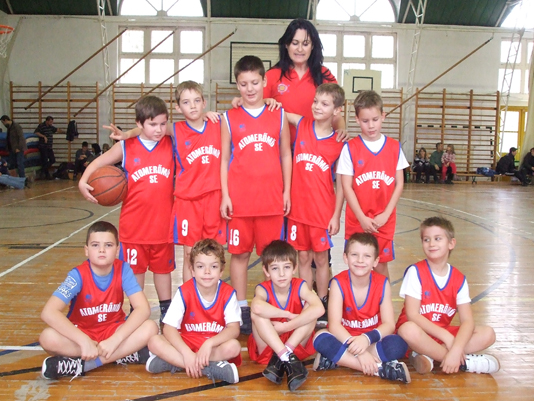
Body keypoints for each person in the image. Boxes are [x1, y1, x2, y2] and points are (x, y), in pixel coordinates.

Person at [79, 95, 175, 325]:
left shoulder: (171, 142)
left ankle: (167, 311)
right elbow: (99, 162)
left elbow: (186, 127)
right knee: (135, 272)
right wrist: (83, 180)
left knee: (163, 271)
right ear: (139, 123)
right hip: (134, 225)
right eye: (152, 124)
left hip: (164, 224)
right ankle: (136, 311)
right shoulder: (126, 146)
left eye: (163, 124)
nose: (159, 129)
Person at [220, 55, 292, 335]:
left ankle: (272, 305)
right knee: (239, 256)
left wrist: (287, 191)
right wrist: (225, 195)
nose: (249, 89)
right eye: (243, 84)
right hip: (240, 202)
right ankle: (241, 309)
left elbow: (285, 154)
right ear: (237, 86)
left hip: (271, 200)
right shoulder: (229, 117)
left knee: (273, 259)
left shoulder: (279, 114)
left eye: (254, 82)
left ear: (264, 82)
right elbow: (223, 159)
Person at [39, 221, 158, 380]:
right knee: (47, 338)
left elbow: (143, 308)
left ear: (117, 250)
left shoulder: (123, 270)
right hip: (83, 331)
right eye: (95, 245)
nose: (102, 250)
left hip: (112, 330)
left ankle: (84, 365)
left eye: (108, 245)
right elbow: (48, 312)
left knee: (150, 327)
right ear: (86, 250)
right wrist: (83, 341)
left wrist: (115, 340)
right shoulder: (77, 275)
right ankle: (121, 355)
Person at [396, 216, 500, 375]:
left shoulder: (459, 279)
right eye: (426, 239)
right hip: (416, 335)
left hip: (440, 335)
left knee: (488, 334)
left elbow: (467, 321)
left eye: (437, 238)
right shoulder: (415, 272)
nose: (431, 244)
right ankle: (464, 363)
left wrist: (457, 347)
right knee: (407, 329)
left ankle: (432, 355)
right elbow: (412, 315)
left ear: (451, 243)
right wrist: (448, 339)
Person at [312, 233, 410, 384]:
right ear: (345, 257)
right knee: (320, 338)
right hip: (345, 339)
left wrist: (366, 339)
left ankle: (338, 359)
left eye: (367, 256)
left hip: (371, 341)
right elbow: (334, 325)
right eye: (354, 255)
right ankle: (380, 369)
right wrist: (360, 353)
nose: (360, 260)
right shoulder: (338, 283)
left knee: (398, 344)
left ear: (376, 261)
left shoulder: (382, 283)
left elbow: (389, 324)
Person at [285, 83, 345, 326]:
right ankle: (306, 300)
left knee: (321, 259)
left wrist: (336, 215)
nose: (318, 107)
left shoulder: (339, 143)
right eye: (316, 101)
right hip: (298, 210)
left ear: (337, 110)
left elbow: (342, 184)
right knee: (302, 257)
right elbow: (277, 112)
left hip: (322, 211)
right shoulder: (301, 124)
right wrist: (267, 101)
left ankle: (322, 302)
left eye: (325, 104)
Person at [145, 239, 242, 384]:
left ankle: (173, 362)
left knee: (234, 347)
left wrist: (209, 343)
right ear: (192, 270)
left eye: (213, 266)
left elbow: (234, 329)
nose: (207, 272)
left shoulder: (228, 294)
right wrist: (186, 353)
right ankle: (207, 368)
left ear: (221, 271)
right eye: (200, 266)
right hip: (187, 342)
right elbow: (168, 328)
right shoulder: (185, 291)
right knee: (154, 341)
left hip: (213, 346)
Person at [337, 90, 409, 279]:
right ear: (357, 119)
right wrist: (361, 217)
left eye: (375, 119)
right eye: (365, 120)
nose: (371, 125)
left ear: (383, 116)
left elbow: (399, 184)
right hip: (357, 220)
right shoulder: (350, 148)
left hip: (383, 221)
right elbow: (346, 187)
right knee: (357, 266)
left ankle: (382, 299)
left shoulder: (394, 147)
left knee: (380, 267)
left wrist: (386, 214)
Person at [248, 240, 324, 391]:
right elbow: (256, 307)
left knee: (311, 308)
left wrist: (286, 326)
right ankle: (287, 357)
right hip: (269, 345)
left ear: (294, 268)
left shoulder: (300, 285)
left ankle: (284, 355)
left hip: (294, 342)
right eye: (275, 268)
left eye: (287, 267)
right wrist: (287, 314)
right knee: (256, 314)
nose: (282, 274)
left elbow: (320, 309)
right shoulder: (263, 288)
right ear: (266, 271)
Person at [169, 81, 226, 283]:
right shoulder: (174, 129)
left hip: (214, 197)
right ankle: (189, 296)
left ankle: (213, 295)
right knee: (189, 253)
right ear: (178, 107)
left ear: (204, 102)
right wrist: (126, 134)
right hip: (187, 200)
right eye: (186, 102)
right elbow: (147, 129)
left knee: (215, 252)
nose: (192, 106)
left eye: (196, 101)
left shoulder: (218, 123)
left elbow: (242, 111)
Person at [35, 116, 62, 180]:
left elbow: (57, 130)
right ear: (47, 121)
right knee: (45, 160)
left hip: (49, 147)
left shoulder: (50, 127)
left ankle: (43, 171)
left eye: (52, 122)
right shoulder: (41, 126)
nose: (51, 123)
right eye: (50, 122)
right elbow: (36, 132)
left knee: (52, 160)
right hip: (43, 146)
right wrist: (43, 136)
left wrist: (66, 132)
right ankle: (46, 175)